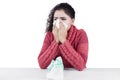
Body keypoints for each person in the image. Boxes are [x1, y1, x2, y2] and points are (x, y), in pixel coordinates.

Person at [38, 3, 88, 71]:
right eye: (55, 19)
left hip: (76, 76)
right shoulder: (49, 35)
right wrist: (55, 41)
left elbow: (81, 65)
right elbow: (42, 64)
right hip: (56, 75)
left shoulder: (80, 34)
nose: (59, 22)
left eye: (63, 19)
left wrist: (63, 40)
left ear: (72, 21)